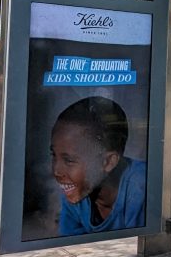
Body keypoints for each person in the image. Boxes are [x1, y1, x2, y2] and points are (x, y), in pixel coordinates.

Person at [50, 96, 146, 236]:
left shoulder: (140, 188)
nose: (57, 171)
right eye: (53, 155)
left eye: (69, 160)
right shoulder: (76, 192)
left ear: (108, 162)